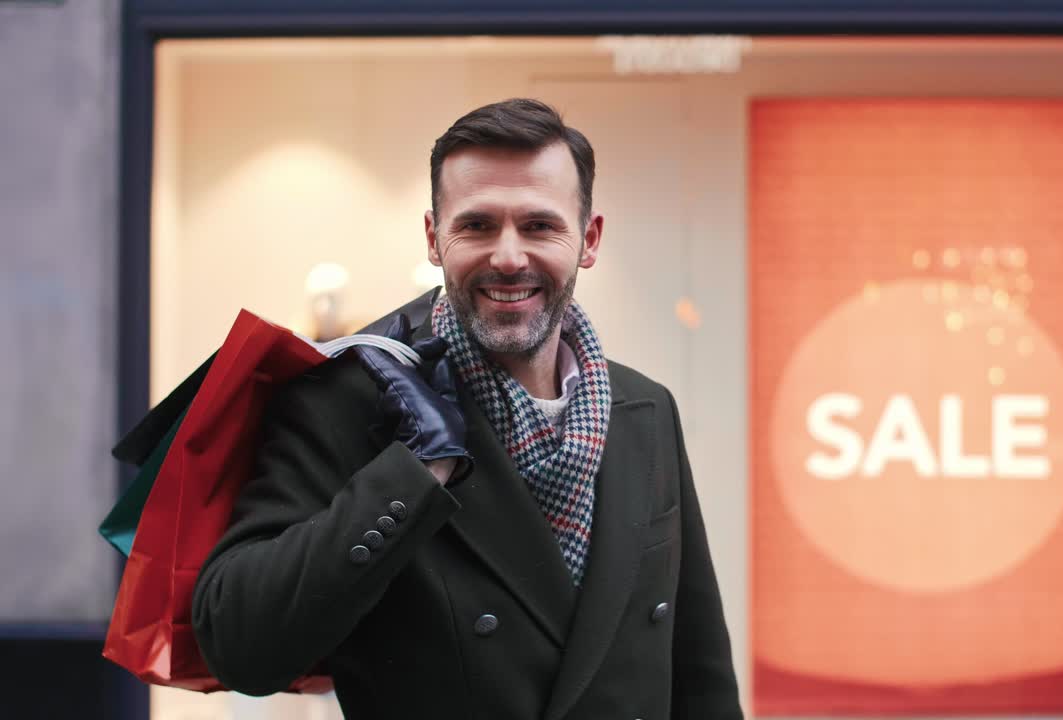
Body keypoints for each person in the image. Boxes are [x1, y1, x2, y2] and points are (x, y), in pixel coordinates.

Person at [192, 98, 743, 719]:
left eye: (540, 226)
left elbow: (699, 673)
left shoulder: (644, 409)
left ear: (588, 240)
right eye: (477, 226)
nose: (508, 257)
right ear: (434, 237)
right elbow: (239, 647)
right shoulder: (346, 401)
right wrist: (412, 475)